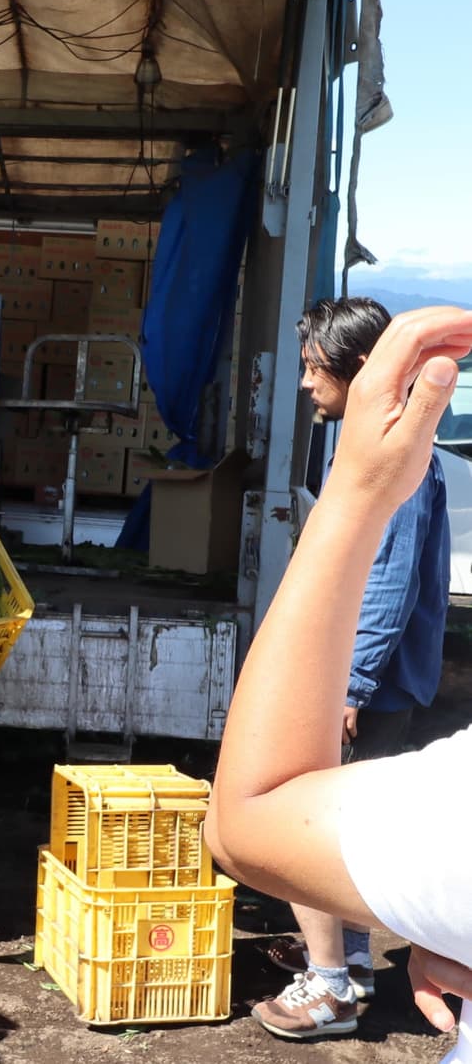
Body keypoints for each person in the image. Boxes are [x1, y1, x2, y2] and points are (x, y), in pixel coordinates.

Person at [207, 305, 472, 1062]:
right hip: (389, 679)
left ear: (362, 375)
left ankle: (329, 983)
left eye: (313, 369)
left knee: (302, 823)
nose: (302, 383)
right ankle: (347, 957)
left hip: (374, 682)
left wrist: (349, 684)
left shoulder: (395, 464)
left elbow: (383, 587)